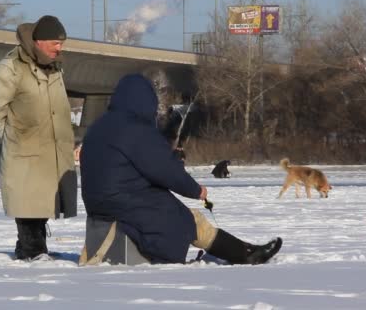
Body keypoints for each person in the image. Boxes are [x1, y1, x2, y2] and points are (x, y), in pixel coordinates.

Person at [80, 74, 281, 265]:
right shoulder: (136, 129)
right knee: (187, 219)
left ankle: (244, 251)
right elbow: (165, 169)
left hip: (100, 205)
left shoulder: (99, 126)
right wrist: (195, 190)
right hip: (127, 203)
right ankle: (245, 254)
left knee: (176, 212)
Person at [0, 15, 77, 261]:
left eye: (62, 43)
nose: (60, 48)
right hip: (24, 151)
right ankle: (31, 251)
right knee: (27, 204)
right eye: (55, 43)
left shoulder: (55, 68)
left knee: (43, 202)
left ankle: (33, 249)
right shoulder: (10, 68)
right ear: (39, 41)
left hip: (51, 150)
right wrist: (13, 137)